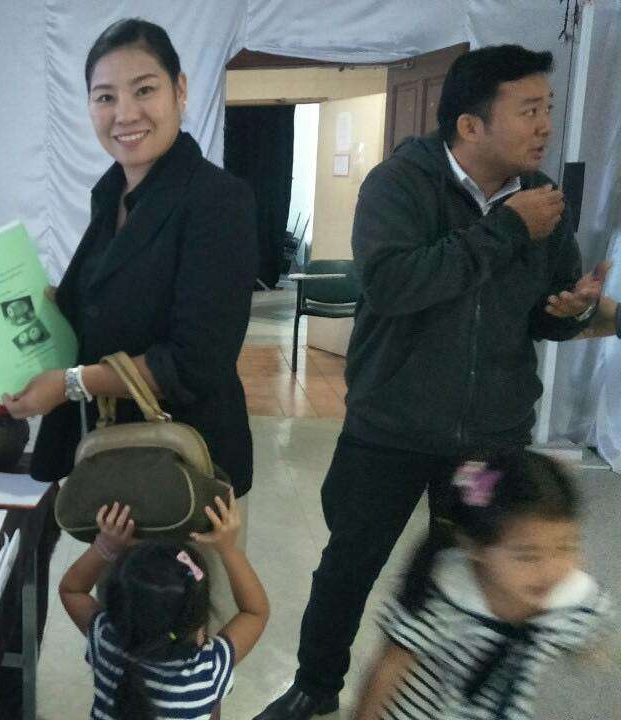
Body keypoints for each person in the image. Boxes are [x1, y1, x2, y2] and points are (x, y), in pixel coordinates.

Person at [255, 45, 606, 720]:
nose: (545, 126)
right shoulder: (400, 185)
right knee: (349, 564)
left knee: (473, 572)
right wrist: (506, 228)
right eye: (529, 110)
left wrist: (571, 311)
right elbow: (395, 285)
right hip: (388, 426)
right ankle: (315, 687)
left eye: (548, 108)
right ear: (471, 125)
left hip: (489, 440)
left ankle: (458, 697)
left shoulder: (541, 201)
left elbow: (543, 314)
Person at [4, 16, 257, 624]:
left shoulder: (217, 201)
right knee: (121, 629)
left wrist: (70, 383)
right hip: (116, 459)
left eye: (144, 89)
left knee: (183, 640)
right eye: (105, 97)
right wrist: (7, 322)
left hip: (186, 468)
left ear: (180, 90)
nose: (125, 113)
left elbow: (195, 360)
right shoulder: (110, 195)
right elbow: (97, 309)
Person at [354, 450, 611, 720]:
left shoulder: (574, 600)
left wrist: (592, 651)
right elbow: (390, 668)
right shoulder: (442, 595)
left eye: (566, 547)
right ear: (474, 546)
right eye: (527, 556)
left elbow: (591, 634)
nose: (550, 571)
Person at [59, 495, 269, 719]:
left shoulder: (106, 641)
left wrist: (104, 547)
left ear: (117, 610)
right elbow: (255, 612)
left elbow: (72, 591)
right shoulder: (208, 671)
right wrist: (229, 549)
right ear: (200, 624)